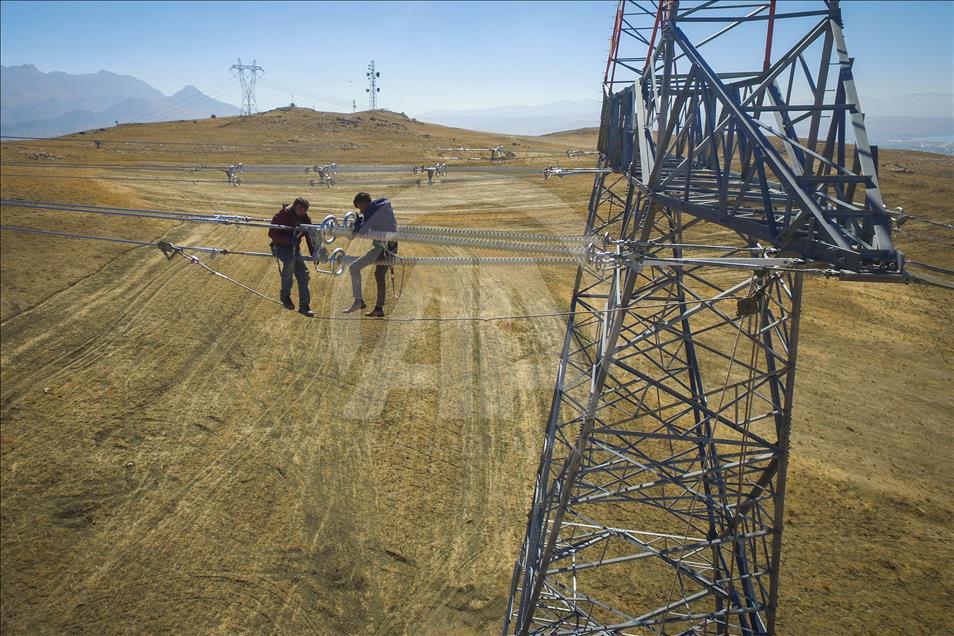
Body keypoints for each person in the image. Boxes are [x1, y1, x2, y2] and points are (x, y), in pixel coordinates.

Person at [342, 192, 397, 317]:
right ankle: (379, 308)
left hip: (381, 249)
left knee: (354, 267)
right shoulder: (383, 206)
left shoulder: (370, 210)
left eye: (359, 207)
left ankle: (358, 301)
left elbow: (362, 230)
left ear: (362, 203)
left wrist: (357, 222)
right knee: (379, 274)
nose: (360, 211)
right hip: (392, 248)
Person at [268, 197, 316, 318]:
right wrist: (288, 240)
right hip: (280, 247)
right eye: (300, 209)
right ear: (294, 206)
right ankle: (285, 296)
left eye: (304, 210)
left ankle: (304, 306)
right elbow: (272, 233)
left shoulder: (305, 218)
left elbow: (309, 235)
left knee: (303, 275)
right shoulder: (282, 215)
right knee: (289, 263)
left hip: (295, 249)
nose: (302, 212)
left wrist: (314, 252)